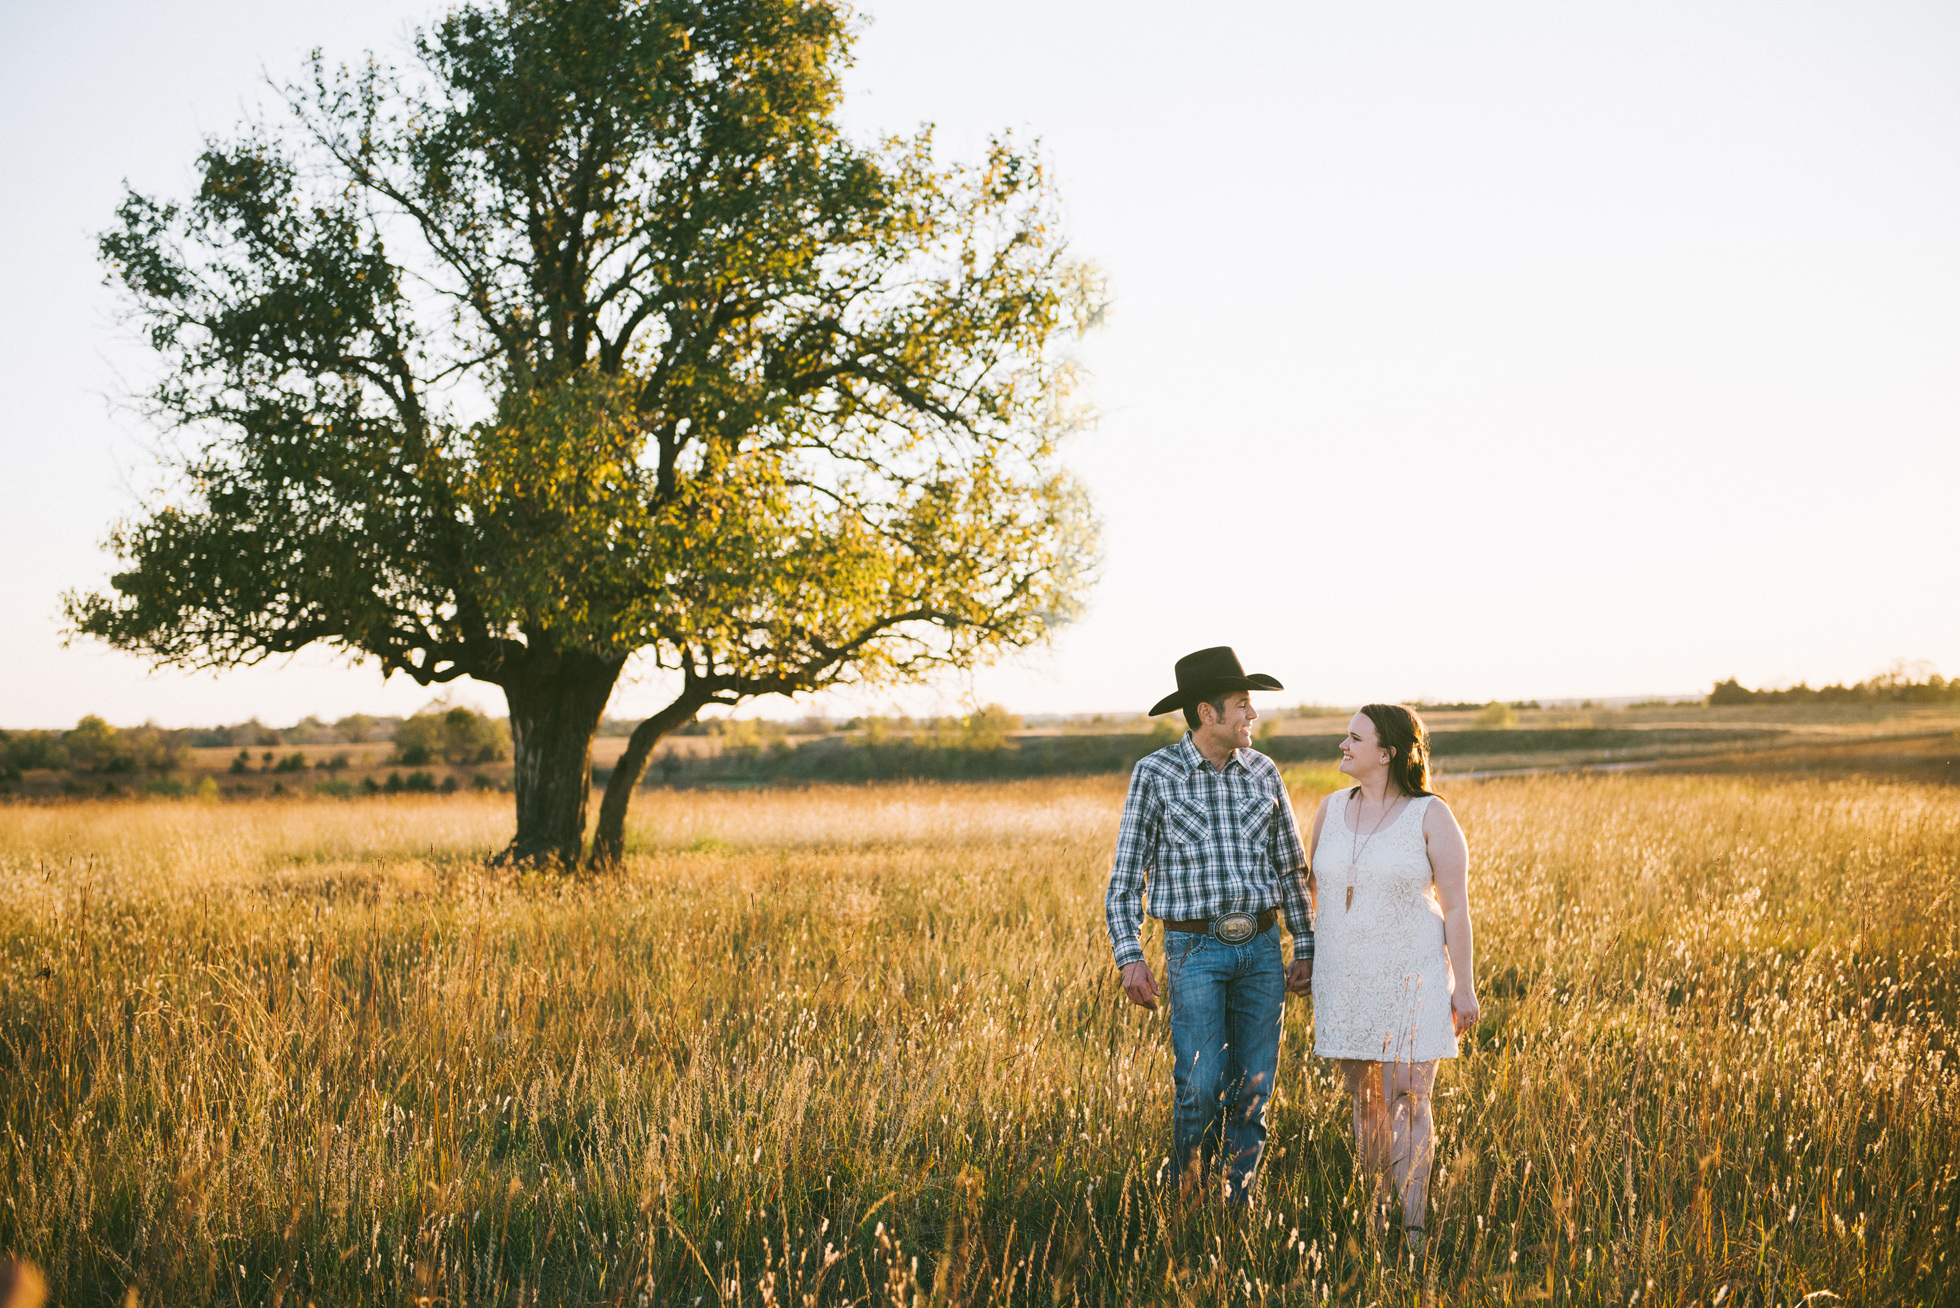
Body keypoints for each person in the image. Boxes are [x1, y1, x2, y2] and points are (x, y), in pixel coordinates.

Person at [1106, 646, 1316, 1204]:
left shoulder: (1264, 771)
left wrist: (1306, 946)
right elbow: (1125, 879)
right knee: (1199, 1087)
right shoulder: (1155, 774)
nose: (1253, 714)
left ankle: (1235, 1208)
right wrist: (1130, 957)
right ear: (1207, 713)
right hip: (1194, 950)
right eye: (1242, 704)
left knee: (1254, 1091)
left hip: (1263, 948)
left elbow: (1291, 866)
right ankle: (1187, 1199)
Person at [1305, 703, 1479, 1257]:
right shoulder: (1330, 810)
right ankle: (1377, 1222)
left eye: (1354, 738)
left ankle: (1414, 1231)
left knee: (1408, 1097)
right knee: (1366, 1103)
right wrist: (1309, 955)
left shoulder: (1431, 815)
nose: (1343, 745)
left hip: (1412, 975)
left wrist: (1464, 986)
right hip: (1346, 977)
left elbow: (1456, 908)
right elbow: (1313, 892)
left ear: (1387, 753)